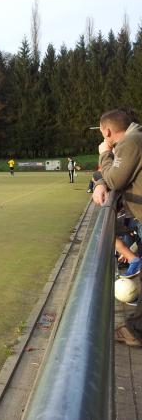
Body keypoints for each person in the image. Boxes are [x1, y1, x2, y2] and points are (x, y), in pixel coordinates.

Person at [91, 108, 142, 346]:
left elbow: (114, 179)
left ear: (108, 131)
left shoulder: (132, 140)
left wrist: (104, 154)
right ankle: (133, 329)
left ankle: (134, 331)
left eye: (104, 135)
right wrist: (101, 181)